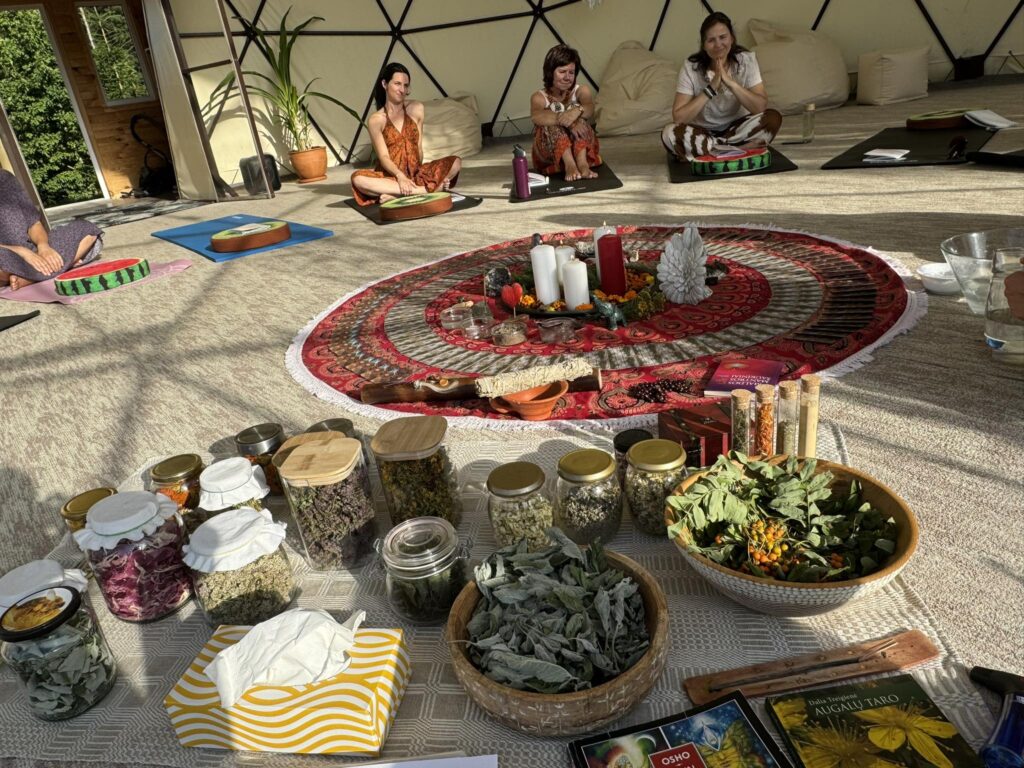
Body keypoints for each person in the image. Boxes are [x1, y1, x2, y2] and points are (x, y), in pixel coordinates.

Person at [662, 12, 782, 161]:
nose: (718, 45)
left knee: (772, 118)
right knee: (669, 134)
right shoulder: (690, 67)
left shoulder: (746, 60)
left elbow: (760, 107)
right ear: (704, 45)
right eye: (711, 40)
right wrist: (711, 88)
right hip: (703, 132)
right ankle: (734, 149)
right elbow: (679, 118)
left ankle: (712, 150)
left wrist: (730, 83)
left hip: (737, 130)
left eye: (723, 37)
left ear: (732, 38)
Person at [350, 63, 461, 206]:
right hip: (391, 176)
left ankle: (399, 194)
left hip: (415, 174)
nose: (402, 90)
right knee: (358, 179)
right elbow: (383, 157)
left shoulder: (416, 108)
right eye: (397, 84)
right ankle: (423, 191)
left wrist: (420, 174)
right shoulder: (376, 120)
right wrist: (400, 176)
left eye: (406, 85)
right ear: (384, 84)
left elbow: (419, 147)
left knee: (456, 162)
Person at [0, 169, 102, 291]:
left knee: (86, 229)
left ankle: (30, 278)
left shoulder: (5, 178)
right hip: (6, 255)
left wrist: (43, 246)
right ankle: (60, 266)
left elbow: (34, 223)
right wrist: (21, 251)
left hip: (35, 252)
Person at [530, 44, 601, 181]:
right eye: (562, 72)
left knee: (581, 119)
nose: (567, 77)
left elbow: (589, 108)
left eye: (571, 73)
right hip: (550, 153)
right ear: (550, 72)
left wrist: (577, 110)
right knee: (552, 124)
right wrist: (570, 123)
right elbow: (537, 116)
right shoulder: (538, 97)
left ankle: (583, 164)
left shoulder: (581, 90)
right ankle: (570, 165)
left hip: (580, 148)